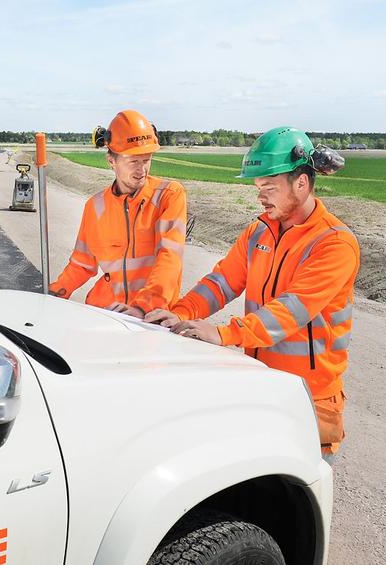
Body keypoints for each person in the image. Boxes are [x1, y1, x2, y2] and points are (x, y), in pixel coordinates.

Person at [145, 126, 359, 459]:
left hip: (309, 398)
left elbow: (289, 312)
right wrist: (183, 313)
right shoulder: (259, 230)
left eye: (269, 187)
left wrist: (223, 333)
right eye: (258, 187)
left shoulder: (334, 244)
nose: (260, 196)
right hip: (262, 384)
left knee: (297, 501)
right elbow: (222, 282)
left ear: (301, 183)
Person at [49, 110, 187, 317]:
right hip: (105, 313)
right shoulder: (95, 206)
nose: (142, 170)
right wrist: (54, 294)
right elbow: (82, 263)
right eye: (133, 162)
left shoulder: (168, 196)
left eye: (146, 160)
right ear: (111, 160)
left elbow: (169, 257)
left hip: (151, 317)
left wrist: (143, 308)